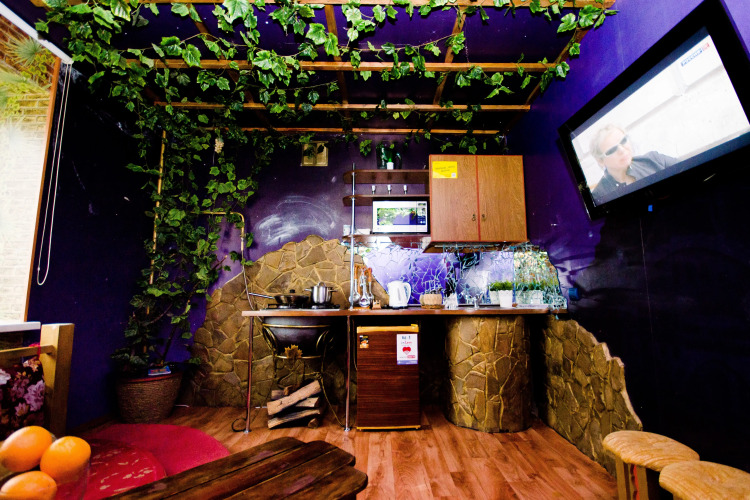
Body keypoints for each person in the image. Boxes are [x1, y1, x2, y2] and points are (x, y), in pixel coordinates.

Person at [589, 125, 678, 203]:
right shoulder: (598, 197)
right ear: (600, 161)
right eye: (612, 150)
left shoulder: (654, 160)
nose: (622, 150)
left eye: (623, 141)